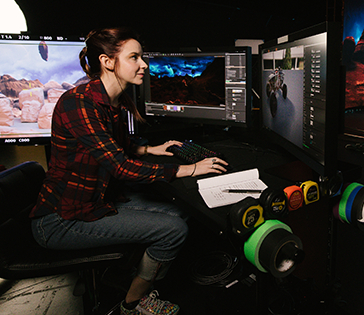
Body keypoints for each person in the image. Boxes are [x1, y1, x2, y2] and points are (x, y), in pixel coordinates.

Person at [29, 27, 228, 315]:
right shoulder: (79, 102)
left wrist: (149, 150)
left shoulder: (111, 101)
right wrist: (190, 168)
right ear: (108, 61)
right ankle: (132, 304)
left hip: (95, 202)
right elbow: (120, 167)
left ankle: (126, 275)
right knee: (174, 229)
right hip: (60, 219)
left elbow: (110, 144)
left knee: (180, 212)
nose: (143, 64)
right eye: (134, 57)